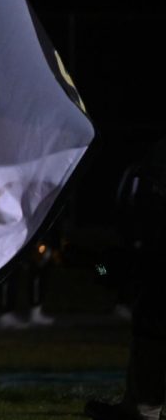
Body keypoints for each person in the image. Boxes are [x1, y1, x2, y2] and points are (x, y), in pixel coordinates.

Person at [84, 137, 165, 420]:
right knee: (149, 325)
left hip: (152, 262)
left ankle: (143, 407)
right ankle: (141, 406)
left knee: (153, 329)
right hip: (148, 261)